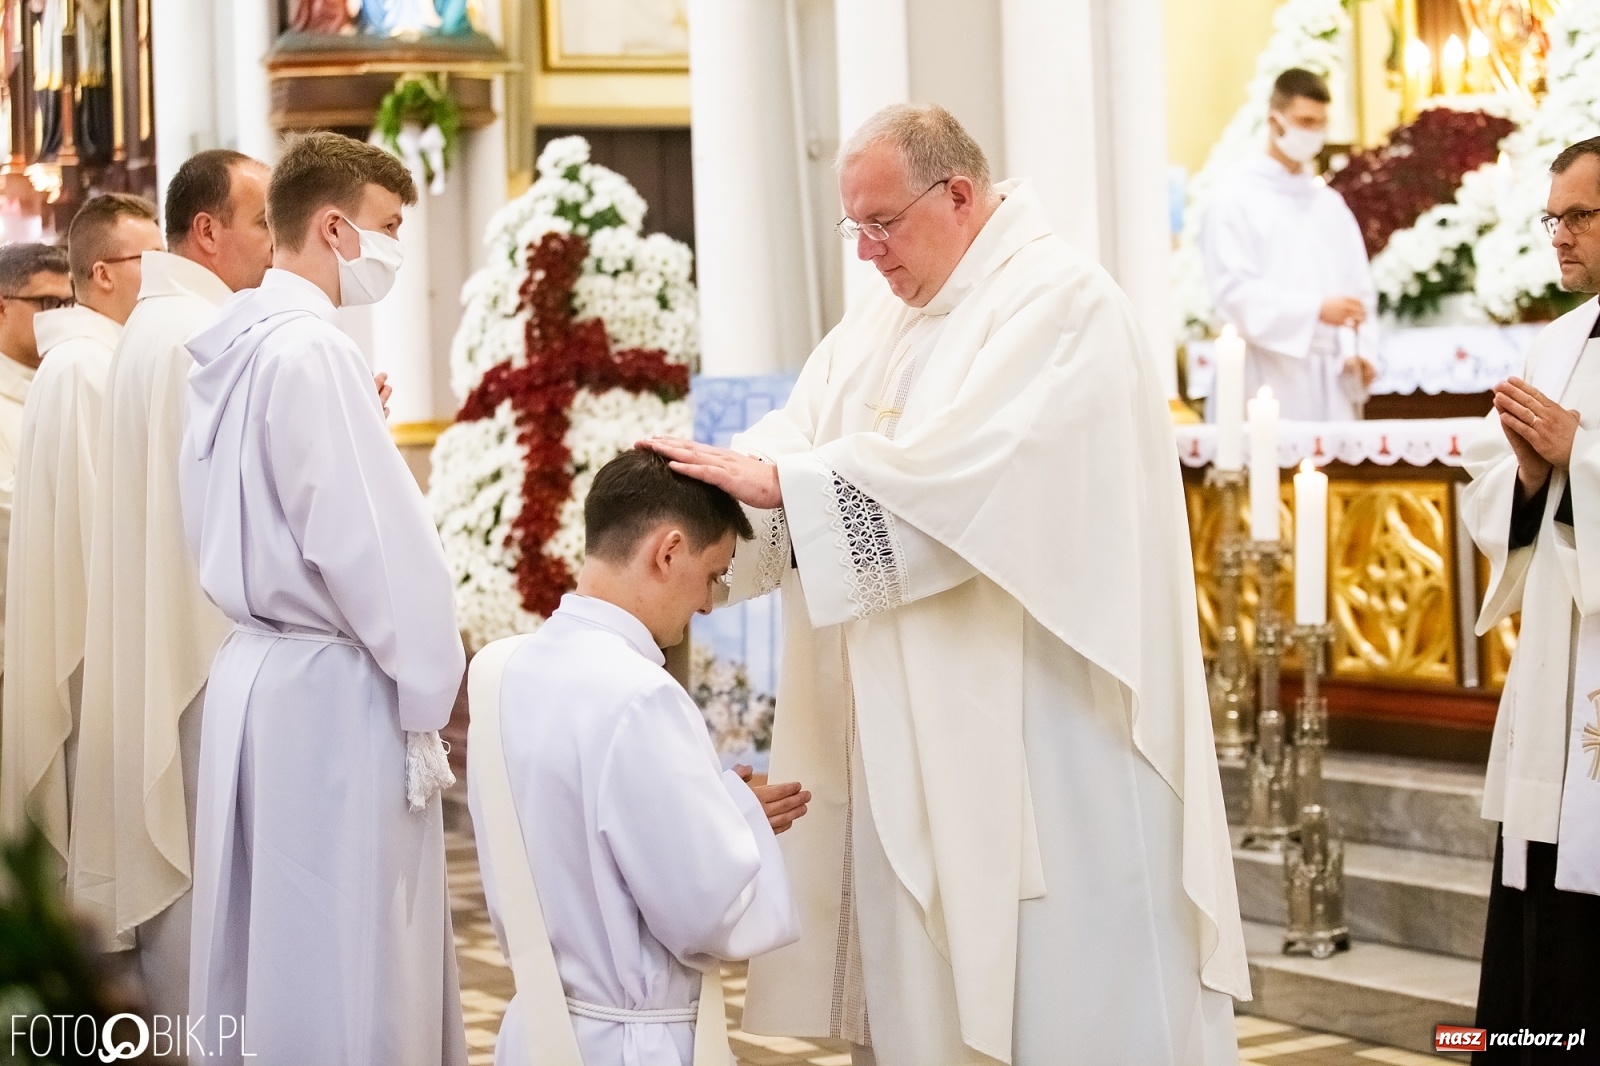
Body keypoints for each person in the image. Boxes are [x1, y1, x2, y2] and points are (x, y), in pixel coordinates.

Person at [646, 103, 1248, 1065]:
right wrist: (711, 486)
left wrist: (798, 487)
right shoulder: (892, 313)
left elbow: (982, 478)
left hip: (1040, 735)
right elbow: (798, 438)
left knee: (1053, 1000)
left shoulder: (1062, 305)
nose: (867, 254)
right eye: (855, 229)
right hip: (905, 725)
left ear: (959, 194)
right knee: (915, 1001)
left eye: (879, 225)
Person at [179, 131, 465, 1065]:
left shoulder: (234, 349)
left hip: (258, 672)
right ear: (334, 226)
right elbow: (367, 546)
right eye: (386, 228)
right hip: (330, 692)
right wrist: (433, 674)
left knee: (273, 937)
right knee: (347, 945)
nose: (392, 249)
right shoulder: (311, 352)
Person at [468, 449, 806, 1066]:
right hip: (629, 1041)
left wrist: (712, 806)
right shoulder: (642, 695)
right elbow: (705, 913)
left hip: (536, 1028)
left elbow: (575, 827)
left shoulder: (506, 668)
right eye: (714, 574)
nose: (708, 604)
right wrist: (735, 824)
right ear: (668, 551)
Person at [67, 150, 272, 1018]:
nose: (273, 240)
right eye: (264, 220)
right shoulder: (195, 336)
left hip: (168, 625)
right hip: (200, 637)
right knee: (205, 873)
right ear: (209, 230)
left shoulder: (153, 328)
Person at [1460, 135, 1600, 1059]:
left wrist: (1578, 459)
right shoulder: (1558, 340)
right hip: (1556, 688)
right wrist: (1525, 474)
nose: (1560, 236)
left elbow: (1575, 461)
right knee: (1540, 945)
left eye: (1579, 216)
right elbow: (1486, 484)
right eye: (1553, 217)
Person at [1, 195, 162, 882]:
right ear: (100, 273)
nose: (162, 276)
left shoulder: (98, 365)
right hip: (75, 637)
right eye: (148, 261)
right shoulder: (81, 373)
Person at [1201, 68, 1378, 421]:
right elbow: (1233, 292)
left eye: (1320, 123)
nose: (1312, 133)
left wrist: (1358, 351)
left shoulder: (1329, 205)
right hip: (1263, 373)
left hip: (1330, 380)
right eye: (1304, 121)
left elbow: (1359, 291)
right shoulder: (1234, 199)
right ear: (1274, 120)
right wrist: (1315, 310)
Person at [0, 243, 74, 850]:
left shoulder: (68, 378)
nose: (63, 315)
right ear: (2, 308)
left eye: (70, 302)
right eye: (47, 303)